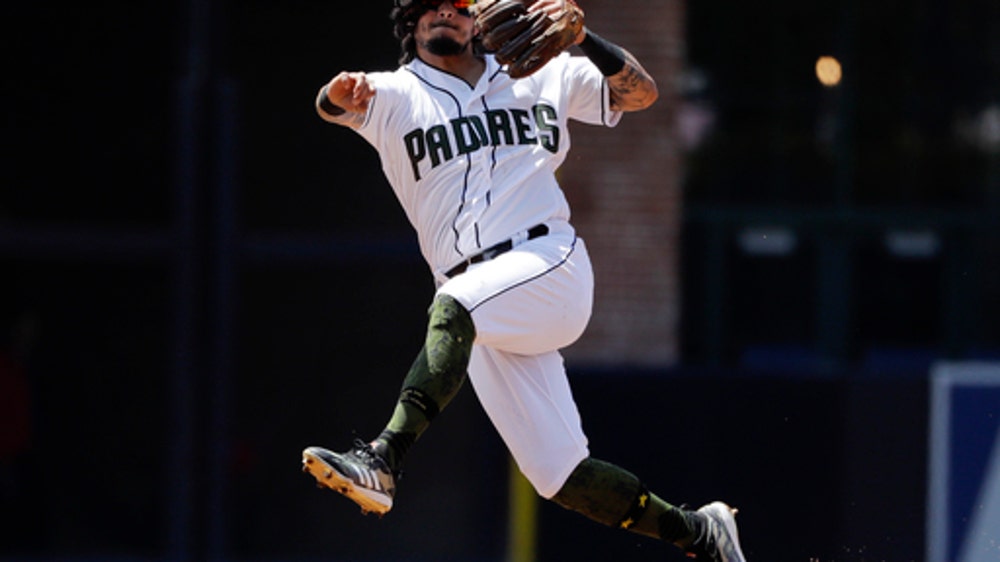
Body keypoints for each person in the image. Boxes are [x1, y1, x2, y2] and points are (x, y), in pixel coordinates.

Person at [301, 1, 747, 560]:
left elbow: (641, 93)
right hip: (480, 310)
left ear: (481, 18)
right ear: (410, 21)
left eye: (460, 5)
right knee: (559, 475)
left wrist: (585, 36)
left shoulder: (544, 74)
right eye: (430, 5)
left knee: (454, 306)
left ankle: (382, 460)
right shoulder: (393, 94)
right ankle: (699, 532)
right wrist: (338, 95)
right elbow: (331, 102)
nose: (445, 13)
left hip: (546, 262)